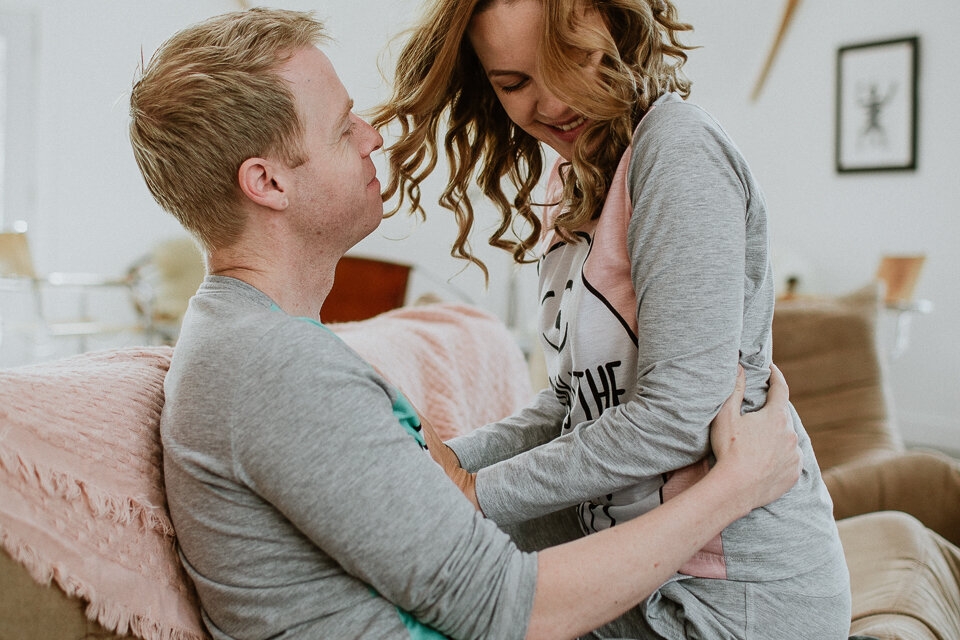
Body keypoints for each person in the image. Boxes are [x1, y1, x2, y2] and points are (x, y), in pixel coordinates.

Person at [129, 8, 801, 640]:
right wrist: (736, 485)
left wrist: (461, 471)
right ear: (268, 184)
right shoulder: (271, 368)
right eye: (342, 128)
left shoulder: (255, 345)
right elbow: (510, 606)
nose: (374, 134)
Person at [374, 0, 851, 637]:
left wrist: (475, 491)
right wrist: (440, 469)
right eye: (514, 83)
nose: (549, 105)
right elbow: (572, 402)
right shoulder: (574, 182)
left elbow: (678, 415)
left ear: (616, 25)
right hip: (643, 571)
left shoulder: (678, 153)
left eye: (567, 61)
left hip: (734, 596)